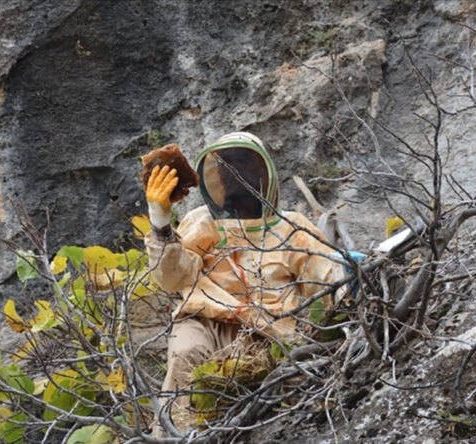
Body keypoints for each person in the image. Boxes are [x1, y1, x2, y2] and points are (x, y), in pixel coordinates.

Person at [143, 132, 346, 433]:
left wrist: (349, 304)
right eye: (226, 164)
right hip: (204, 323)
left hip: (266, 335)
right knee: (185, 355)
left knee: (271, 402)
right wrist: (159, 222)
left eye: (243, 160)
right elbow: (173, 278)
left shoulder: (291, 228)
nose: (234, 170)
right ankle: (173, 438)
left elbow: (328, 284)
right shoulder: (203, 221)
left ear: (263, 169)